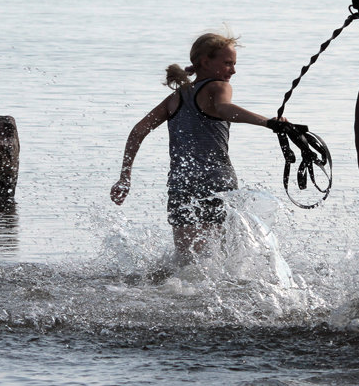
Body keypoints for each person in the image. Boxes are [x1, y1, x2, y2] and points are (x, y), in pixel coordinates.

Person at [111, 32, 273, 263]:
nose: (233, 71)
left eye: (234, 64)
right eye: (228, 63)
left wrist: (125, 176)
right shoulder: (219, 86)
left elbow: (138, 131)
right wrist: (268, 122)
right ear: (206, 62)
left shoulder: (175, 97)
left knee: (188, 262)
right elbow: (225, 108)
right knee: (219, 260)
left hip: (181, 184)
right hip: (217, 182)